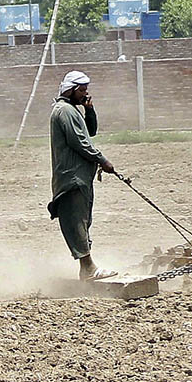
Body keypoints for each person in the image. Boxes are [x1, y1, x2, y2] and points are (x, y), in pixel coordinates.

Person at [48, 70, 118, 281]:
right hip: (72, 177)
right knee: (76, 220)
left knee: (83, 219)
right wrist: (102, 160)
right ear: (70, 90)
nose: (85, 94)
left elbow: (89, 132)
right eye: (82, 90)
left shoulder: (72, 110)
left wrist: (90, 110)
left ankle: (86, 269)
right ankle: (88, 268)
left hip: (79, 177)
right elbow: (80, 142)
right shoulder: (64, 111)